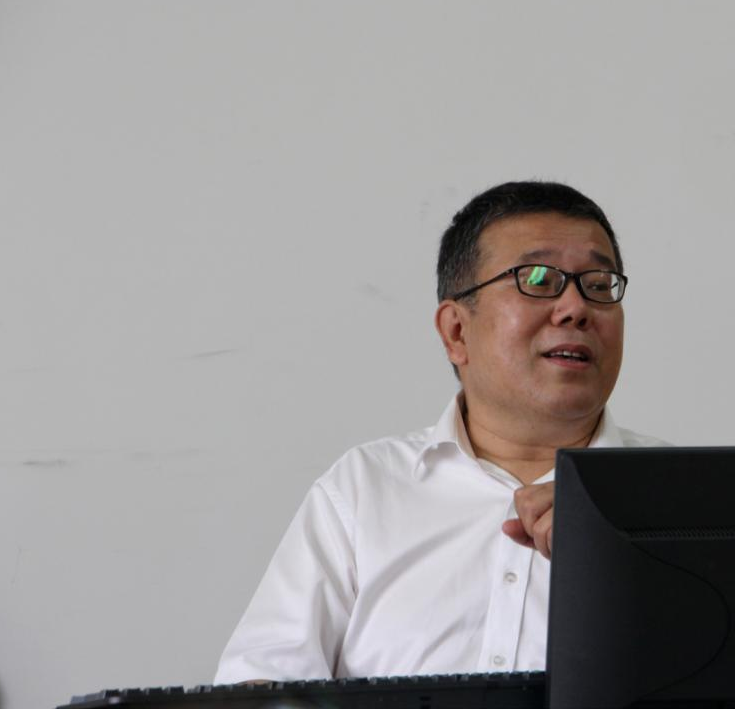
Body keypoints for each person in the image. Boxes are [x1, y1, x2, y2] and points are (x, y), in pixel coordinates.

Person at [214, 181, 665, 683]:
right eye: (538, 279)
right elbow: (259, 683)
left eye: (599, 285)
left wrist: (631, 563)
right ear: (456, 331)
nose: (576, 308)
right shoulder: (364, 489)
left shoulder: (685, 497)